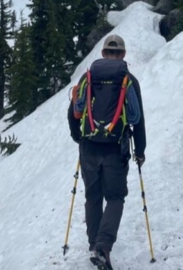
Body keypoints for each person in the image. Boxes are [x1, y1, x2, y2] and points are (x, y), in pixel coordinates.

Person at [68, 34, 146, 270]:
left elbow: (73, 111)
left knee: (93, 197)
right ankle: (103, 247)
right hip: (116, 147)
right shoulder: (128, 80)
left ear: (103, 53)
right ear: (123, 54)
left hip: (89, 146)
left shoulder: (88, 77)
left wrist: (78, 137)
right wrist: (140, 151)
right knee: (115, 197)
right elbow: (137, 120)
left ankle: (95, 245)